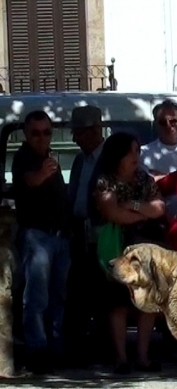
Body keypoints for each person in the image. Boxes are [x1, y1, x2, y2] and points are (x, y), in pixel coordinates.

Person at [94, 132, 165, 374]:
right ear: (118, 155)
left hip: (145, 250)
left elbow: (159, 209)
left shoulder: (144, 179)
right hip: (117, 248)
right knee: (118, 304)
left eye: (138, 150)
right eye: (131, 151)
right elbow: (112, 213)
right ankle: (121, 359)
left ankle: (143, 357)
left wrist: (134, 206)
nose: (137, 156)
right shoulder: (105, 182)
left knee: (147, 304)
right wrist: (144, 213)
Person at [12, 110, 70, 374]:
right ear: (26, 133)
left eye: (47, 132)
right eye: (36, 132)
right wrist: (43, 174)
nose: (42, 137)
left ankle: (55, 348)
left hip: (59, 237)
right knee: (36, 298)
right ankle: (36, 351)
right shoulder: (24, 158)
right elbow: (28, 181)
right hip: (36, 237)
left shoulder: (49, 158)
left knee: (58, 296)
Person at [64, 106, 105, 365]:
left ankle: (103, 349)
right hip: (79, 232)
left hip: (101, 234)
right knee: (78, 292)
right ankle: (79, 349)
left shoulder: (108, 158)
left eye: (79, 133)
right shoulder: (80, 160)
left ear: (94, 131)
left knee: (102, 294)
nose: (76, 139)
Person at [141, 99, 177, 176]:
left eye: (173, 121)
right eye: (163, 122)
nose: (168, 126)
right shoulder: (144, 154)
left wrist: (160, 176)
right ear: (156, 124)